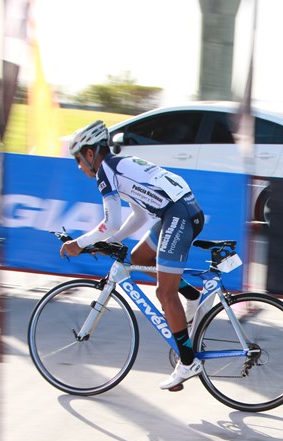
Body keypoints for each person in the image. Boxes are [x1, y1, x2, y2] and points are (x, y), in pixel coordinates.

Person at [59, 120, 205, 391]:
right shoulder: (121, 164)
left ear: (90, 153)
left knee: (164, 293)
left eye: (78, 159)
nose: (79, 166)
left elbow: (111, 222)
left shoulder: (106, 171)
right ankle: (193, 296)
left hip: (178, 216)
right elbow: (138, 215)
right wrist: (111, 241)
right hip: (180, 212)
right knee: (140, 257)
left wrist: (79, 243)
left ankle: (188, 362)